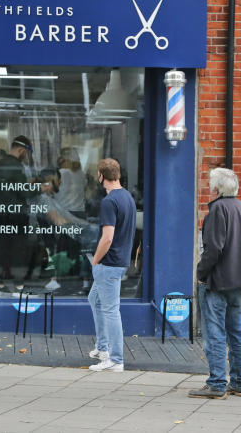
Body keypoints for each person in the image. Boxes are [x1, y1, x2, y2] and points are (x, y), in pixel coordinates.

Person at [188, 168, 241, 399]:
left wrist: (201, 273)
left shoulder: (218, 209)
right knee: (236, 333)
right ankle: (239, 383)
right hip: (239, 283)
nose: (209, 188)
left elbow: (213, 249)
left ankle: (217, 384)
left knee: (215, 334)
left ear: (217, 189)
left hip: (217, 283)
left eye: (211, 185)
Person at [87, 158, 136, 372]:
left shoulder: (109, 201)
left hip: (108, 263)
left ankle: (115, 360)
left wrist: (96, 259)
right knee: (94, 299)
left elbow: (107, 238)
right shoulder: (127, 197)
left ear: (101, 176)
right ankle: (102, 347)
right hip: (120, 260)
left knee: (110, 310)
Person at [0, 135, 33, 291]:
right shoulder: (16, 166)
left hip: (1, 212)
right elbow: (22, 192)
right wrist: (39, 188)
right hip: (18, 213)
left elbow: (4, 188)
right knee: (18, 248)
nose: (26, 157)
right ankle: (19, 284)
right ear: (21, 150)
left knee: (1, 246)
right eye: (26, 153)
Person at [56, 147, 87, 219]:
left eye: (61, 162)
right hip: (80, 211)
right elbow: (84, 190)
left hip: (66, 212)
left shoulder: (62, 173)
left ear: (67, 161)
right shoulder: (82, 174)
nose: (60, 165)